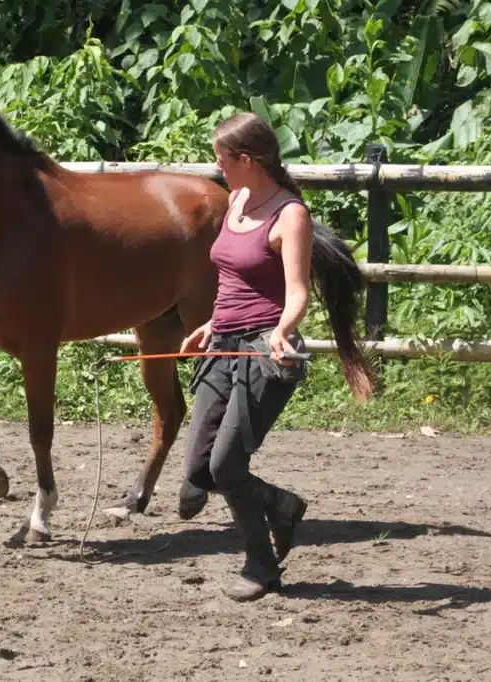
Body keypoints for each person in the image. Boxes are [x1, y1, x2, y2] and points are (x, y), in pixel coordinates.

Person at [178, 111, 314, 602]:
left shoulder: (290, 215)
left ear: (248, 160)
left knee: (226, 467)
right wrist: (213, 323)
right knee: (197, 471)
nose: (217, 168)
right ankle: (281, 504)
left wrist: (283, 330)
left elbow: (297, 292)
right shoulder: (235, 200)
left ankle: (261, 566)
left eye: (222, 159)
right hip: (222, 344)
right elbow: (233, 277)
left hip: (264, 350)